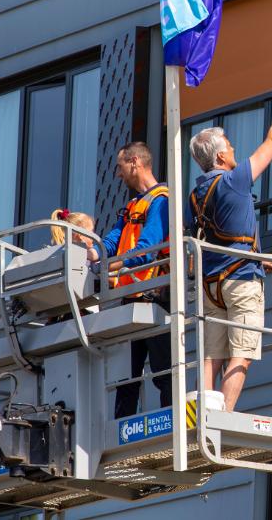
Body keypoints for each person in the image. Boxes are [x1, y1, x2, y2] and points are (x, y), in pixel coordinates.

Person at [189, 67, 272, 412]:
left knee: (211, 356)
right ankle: (223, 418)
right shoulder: (234, 181)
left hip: (211, 284)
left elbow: (200, 239)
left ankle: (202, 418)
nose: (234, 149)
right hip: (240, 281)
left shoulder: (196, 193)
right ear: (221, 157)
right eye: (229, 145)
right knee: (240, 354)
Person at [100, 142, 172, 418]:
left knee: (164, 372)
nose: (118, 175)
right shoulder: (132, 206)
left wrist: (114, 265)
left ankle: (170, 423)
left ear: (134, 163)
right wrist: (91, 254)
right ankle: (121, 427)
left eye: (120, 167)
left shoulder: (161, 202)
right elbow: (111, 240)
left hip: (155, 300)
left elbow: (147, 247)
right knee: (125, 378)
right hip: (131, 301)